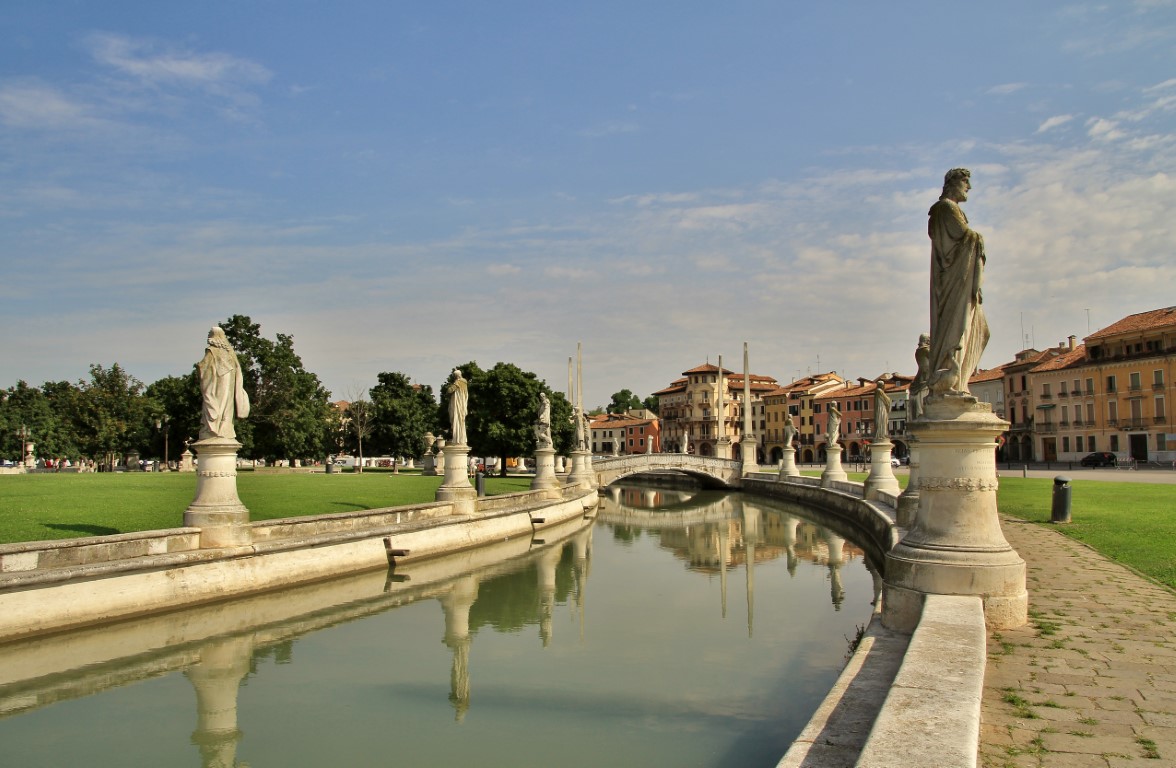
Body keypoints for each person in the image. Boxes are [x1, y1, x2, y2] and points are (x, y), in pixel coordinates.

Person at [928, 168, 990, 395]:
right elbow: (963, 239)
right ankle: (951, 382)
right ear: (952, 183)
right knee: (957, 329)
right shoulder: (945, 208)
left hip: (959, 279)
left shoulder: (950, 210)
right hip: (955, 281)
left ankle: (959, 382)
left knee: (979, 331)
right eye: (965, 182)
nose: (969, 187)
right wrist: (977, 237)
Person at [197, 326, 250, 440]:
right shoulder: (230, 353)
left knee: (213, 401)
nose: (208, 335)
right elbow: (238, 371)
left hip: (216, 383)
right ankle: (224, 429)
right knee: (227, 406)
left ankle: (213, 428)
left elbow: (204, 369)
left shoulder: (211, 351)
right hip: (228, 383)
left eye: (210, 333)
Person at [909, 333, 931, 420]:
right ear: (927, 340)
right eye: (929, 340)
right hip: (926, 375)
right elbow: (936, 357)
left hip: (920, 375)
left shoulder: (917, 351)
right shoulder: (925, 350)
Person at [447, 370, 469, 445]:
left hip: (457, 405)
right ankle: (460, 438)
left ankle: (457, 438)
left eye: (455, 376)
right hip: (462, 405)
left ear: (456, 376)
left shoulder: (457, 382)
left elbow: (449, 390)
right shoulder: (465, 383)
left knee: (456, 419)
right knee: (460, 421)